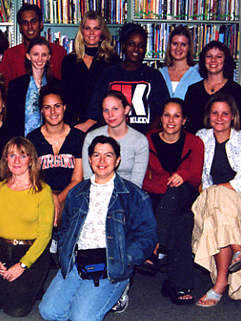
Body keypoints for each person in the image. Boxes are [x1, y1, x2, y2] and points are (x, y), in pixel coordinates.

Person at [39, 135, 157, 321]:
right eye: (96, 155)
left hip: (112, 263)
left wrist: (124, 259)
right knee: (49, 312)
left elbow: (147, 236)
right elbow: (65, 229)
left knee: (81, 318)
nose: (102, 161)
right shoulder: (77, 193)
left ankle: (120, 288)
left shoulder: (133, 194)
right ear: (89, 159)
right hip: (78, 261)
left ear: (117, 160)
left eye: (108, 155)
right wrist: (66, 253)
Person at [0, 137, 54, 317]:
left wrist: (21, 266)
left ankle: (35, 285)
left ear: (31, 160)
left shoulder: (43, 191)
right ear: (6, 160)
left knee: (15, 310)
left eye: (22, 156)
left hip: (31, 253)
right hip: (3, 249)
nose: (17, 161)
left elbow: (45, 235)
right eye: (11, 155)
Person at [141, 98, 204, 304]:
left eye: (176, 116)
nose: (171, 120)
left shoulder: (195, 142)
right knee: (184, 221)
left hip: (185, 194)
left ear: (184, 120)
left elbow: (195, 177)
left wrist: (182, 176)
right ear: (161, 118)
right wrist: (165, 186)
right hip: (157, 196)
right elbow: (142, 180)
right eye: (167, 115)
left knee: (176, 191)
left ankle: (154, 247)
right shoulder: (148, 140)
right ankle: (178, 285)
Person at [192, 92, 241, 306]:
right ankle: (237, 250)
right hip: (207, 199)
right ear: (208, 115)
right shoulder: (201, 137)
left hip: (240, 200)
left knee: (218, 199)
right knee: (216, 201)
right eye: (215, 113)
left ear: (233, 116)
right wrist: (213, 191)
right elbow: (197, 173)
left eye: (225, 113)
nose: (220, 117)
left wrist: (220, 189)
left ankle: (220, 283)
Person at [87, 23, 169, 134]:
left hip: (145, 139)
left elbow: (161, 113)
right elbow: (97, 110)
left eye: (141, 45)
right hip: (112, 139)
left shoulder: (154, 76)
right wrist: (113, 134)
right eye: (131, 44)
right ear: (124, 46)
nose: (136, 49)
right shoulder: (109, 74)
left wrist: (146, 139)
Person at [27, 83, 84, 227]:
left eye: (57, 106)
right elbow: (32, 177)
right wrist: (50, 196)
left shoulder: (78, 137)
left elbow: (77, 179)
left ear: (64, 107)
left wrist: (58, 199)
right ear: (41, 110)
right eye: (47, 107)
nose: (53, 112)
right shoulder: (32, 139)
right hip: (41, 194)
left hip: (70, 195)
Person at [61, 10, 120, 130]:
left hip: (104, 123)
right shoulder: (69, 61)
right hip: (74, 125)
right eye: (87, 28)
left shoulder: (112, 60)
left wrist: (91, 122)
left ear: (102, 32)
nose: (92, 33)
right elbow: (66, 97)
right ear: (82, 31)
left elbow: (115, 97)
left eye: (96, 28)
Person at [83, 90, 149, 188]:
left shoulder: (140, 141)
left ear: (126, 110)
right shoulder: (91, 137)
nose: (110, 115)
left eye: (115, 109)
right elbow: (88, 178)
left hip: (127, 195)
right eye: (106, 110)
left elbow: (136, 184)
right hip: (97, 191)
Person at [184, 41, 241, 134]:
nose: (213, 60)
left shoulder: (236, 90)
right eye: (209, 56)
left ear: (225, 61)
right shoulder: (193, 90)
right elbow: (187, 125)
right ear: (203, 60)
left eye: (218, 56)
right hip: (197, 144)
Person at [0, 3, 66, 85]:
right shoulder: (9, 55)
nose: (30, 26)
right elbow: (4, 89)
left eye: (33, 21)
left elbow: (65, 86)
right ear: (20, 28)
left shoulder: (58, 51)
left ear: (41, 24)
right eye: (25, 22)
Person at [7, 37, 61, 136]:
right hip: (22, 142)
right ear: (28, 56)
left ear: (49, 57)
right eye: (35, 54)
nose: (40, 59)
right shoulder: (16, 85)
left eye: (44, 55)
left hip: (49, 142)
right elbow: (11, 121)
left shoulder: (58, 86)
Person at [159, 26, 202, 100]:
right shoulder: (160, 74)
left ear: (189, 47)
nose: (178, 48)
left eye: (183, 44)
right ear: (170, 46)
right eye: (175, 44)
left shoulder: (199, 74)